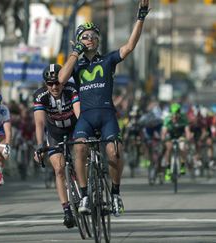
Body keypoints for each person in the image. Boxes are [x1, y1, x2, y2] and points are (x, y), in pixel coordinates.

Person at [58, 0, 150, 217]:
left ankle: (116, 193)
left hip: (107, 114)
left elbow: (129, 46)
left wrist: (141, 17)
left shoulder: (107, 60)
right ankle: (84, 195)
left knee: (114, 150)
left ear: (98, 39)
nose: (90, 39)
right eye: (85, 36)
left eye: (93, 36)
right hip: (86, 118)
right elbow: (61, 79)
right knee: (79, 148)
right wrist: (75, 52)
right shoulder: (77, 65)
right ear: (79, 41)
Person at [33, 64, 80, 228]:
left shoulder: (71, 89)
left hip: (74, 128)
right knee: (59, 169)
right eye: (50, 83)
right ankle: (67, 210)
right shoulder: (40, 96)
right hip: (55, 133)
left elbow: (79, 113)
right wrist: (39, 145)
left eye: (57, 82)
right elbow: (39, 123)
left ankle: (86, 191)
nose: (54, 86)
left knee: (81, 155)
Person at [161, 103, 192, 181]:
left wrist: (188, 138)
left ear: (179, 113)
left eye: (176, 115)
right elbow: (164, 132)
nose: (174, 117)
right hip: (170, 135)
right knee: (169, 148)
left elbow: (187, 131)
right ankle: (168, 169)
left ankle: (182, 165)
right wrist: (163, 138)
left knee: (182, 147)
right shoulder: (167, 119)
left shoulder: (184, 118)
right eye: (173, 115)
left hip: (180, 135)